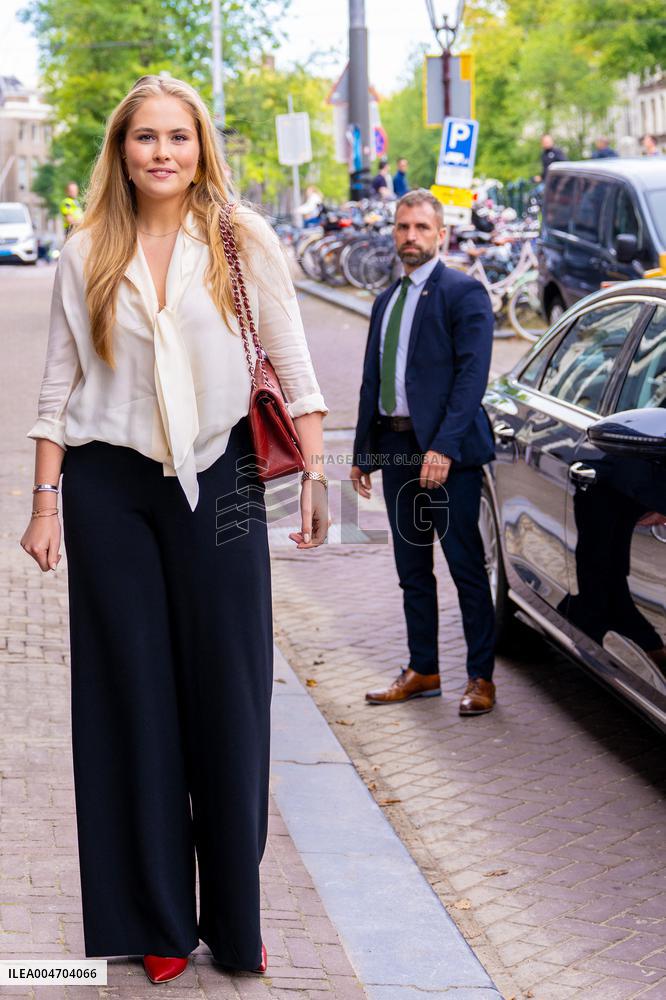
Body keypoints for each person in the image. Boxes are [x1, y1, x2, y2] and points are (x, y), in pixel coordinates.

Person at [20, 74, 329, 984]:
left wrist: (313, 483)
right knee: (130, 701)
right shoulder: (86, 252)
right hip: (109, 486)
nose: (163, 153)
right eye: (146, 138)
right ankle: (154, 919)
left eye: (179, 138)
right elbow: (56, 389)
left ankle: (237, 923)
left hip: (225, 475)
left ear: (202, 150)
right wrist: (45, 504)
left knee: (229, 698)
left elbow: (296, 367)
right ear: (122, 150)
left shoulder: (242, 238)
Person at [350, 189, 497, 716]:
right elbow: (373, 379)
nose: (409, 236)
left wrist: (444, 447)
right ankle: (424, 669)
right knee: (412, 567)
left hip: (446, 456)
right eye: (401, 227)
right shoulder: (384, 300)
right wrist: (363, 450)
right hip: (395, 449)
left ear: (440, 234)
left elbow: (471, 379)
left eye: (420, 228)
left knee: (465, 567)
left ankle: (480, 677)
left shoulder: (464, 293)